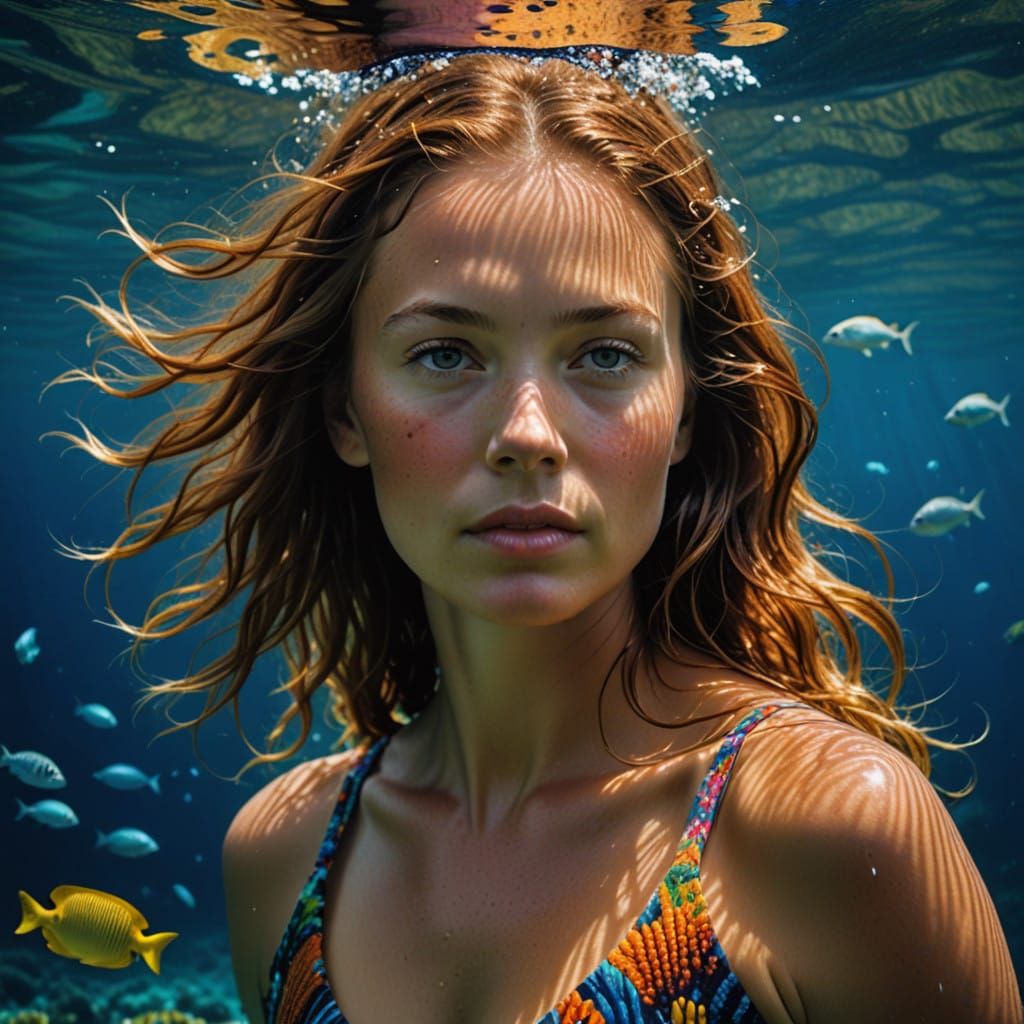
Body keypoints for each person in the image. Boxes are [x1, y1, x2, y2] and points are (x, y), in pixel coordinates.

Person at [49, 47, 1022, 1024]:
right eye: (445, 353)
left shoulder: (834, 825)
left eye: (605, 353)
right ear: (344, 409)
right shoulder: (277, 852)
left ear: (687, 408)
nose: (526, 433)